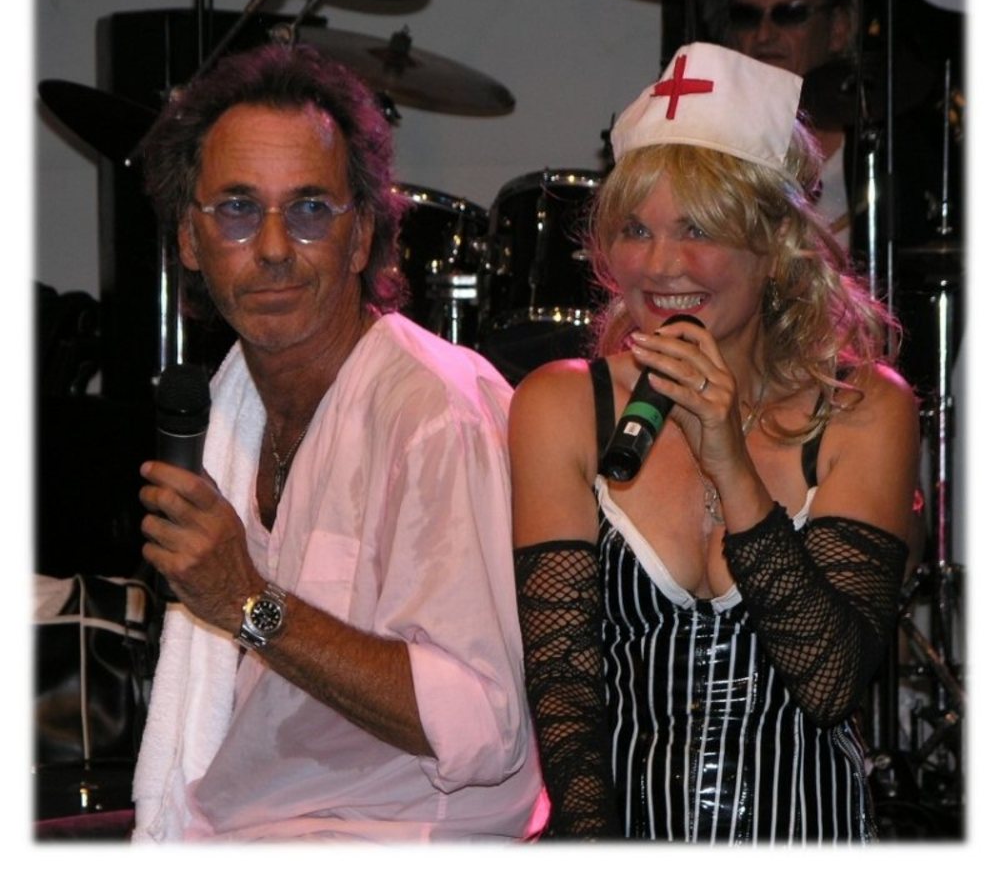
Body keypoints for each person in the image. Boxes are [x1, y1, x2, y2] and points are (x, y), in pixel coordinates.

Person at [131, 43, 545, 841]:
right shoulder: (230, 411)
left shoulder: (435, 414)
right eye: (238, 210)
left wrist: (247, 602)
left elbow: (481, 724)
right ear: (188, 239)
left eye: (311, 210)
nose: (273, 248)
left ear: (361, 239)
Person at [510, 42, 919, 841]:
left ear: (776, 244)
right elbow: (563, 687)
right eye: (636, 229)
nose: (661, 265)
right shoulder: (561, 405)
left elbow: (832, 683)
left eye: (697, 228)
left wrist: (730, 461)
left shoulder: (863, 408)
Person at [701, 0, 859, 250]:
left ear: (838, 28)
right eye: (747, 17)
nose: (764, 34)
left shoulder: (875, 156)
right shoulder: (709, 149)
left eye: (790, 13)